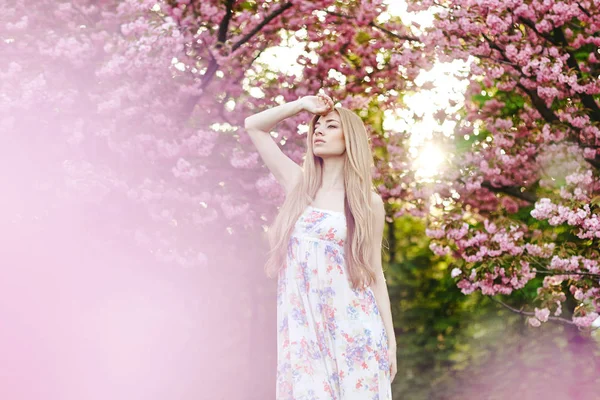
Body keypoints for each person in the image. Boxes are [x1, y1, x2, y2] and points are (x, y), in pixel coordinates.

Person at [244, 93, 397, 399]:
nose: (319, 131)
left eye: (330, 126)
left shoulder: (368, 203)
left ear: (349, 138)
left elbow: (375, 274)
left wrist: (390, 341)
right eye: (316, 127)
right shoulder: (298, 185)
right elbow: (254, 126)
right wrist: (301, 105)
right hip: (304, 334)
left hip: (355, 332)